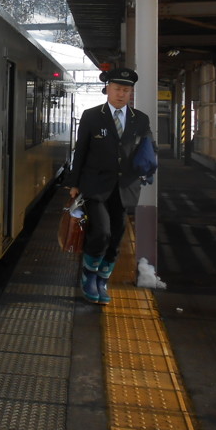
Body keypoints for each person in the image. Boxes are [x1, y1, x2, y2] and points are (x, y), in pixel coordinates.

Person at [64, 67, 154, 304]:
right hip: (95, 186)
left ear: (131, 93)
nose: (121, 94)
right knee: (101, 232)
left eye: (126, 90)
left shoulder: (140, 119)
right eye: (117, 89)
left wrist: (148, 168)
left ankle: (102, 280)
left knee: (116, 237)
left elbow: (147, 151)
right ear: (107, 90)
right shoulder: (92, 116)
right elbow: (80, 150)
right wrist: (73, 183)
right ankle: (88, 275)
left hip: (125, 187)